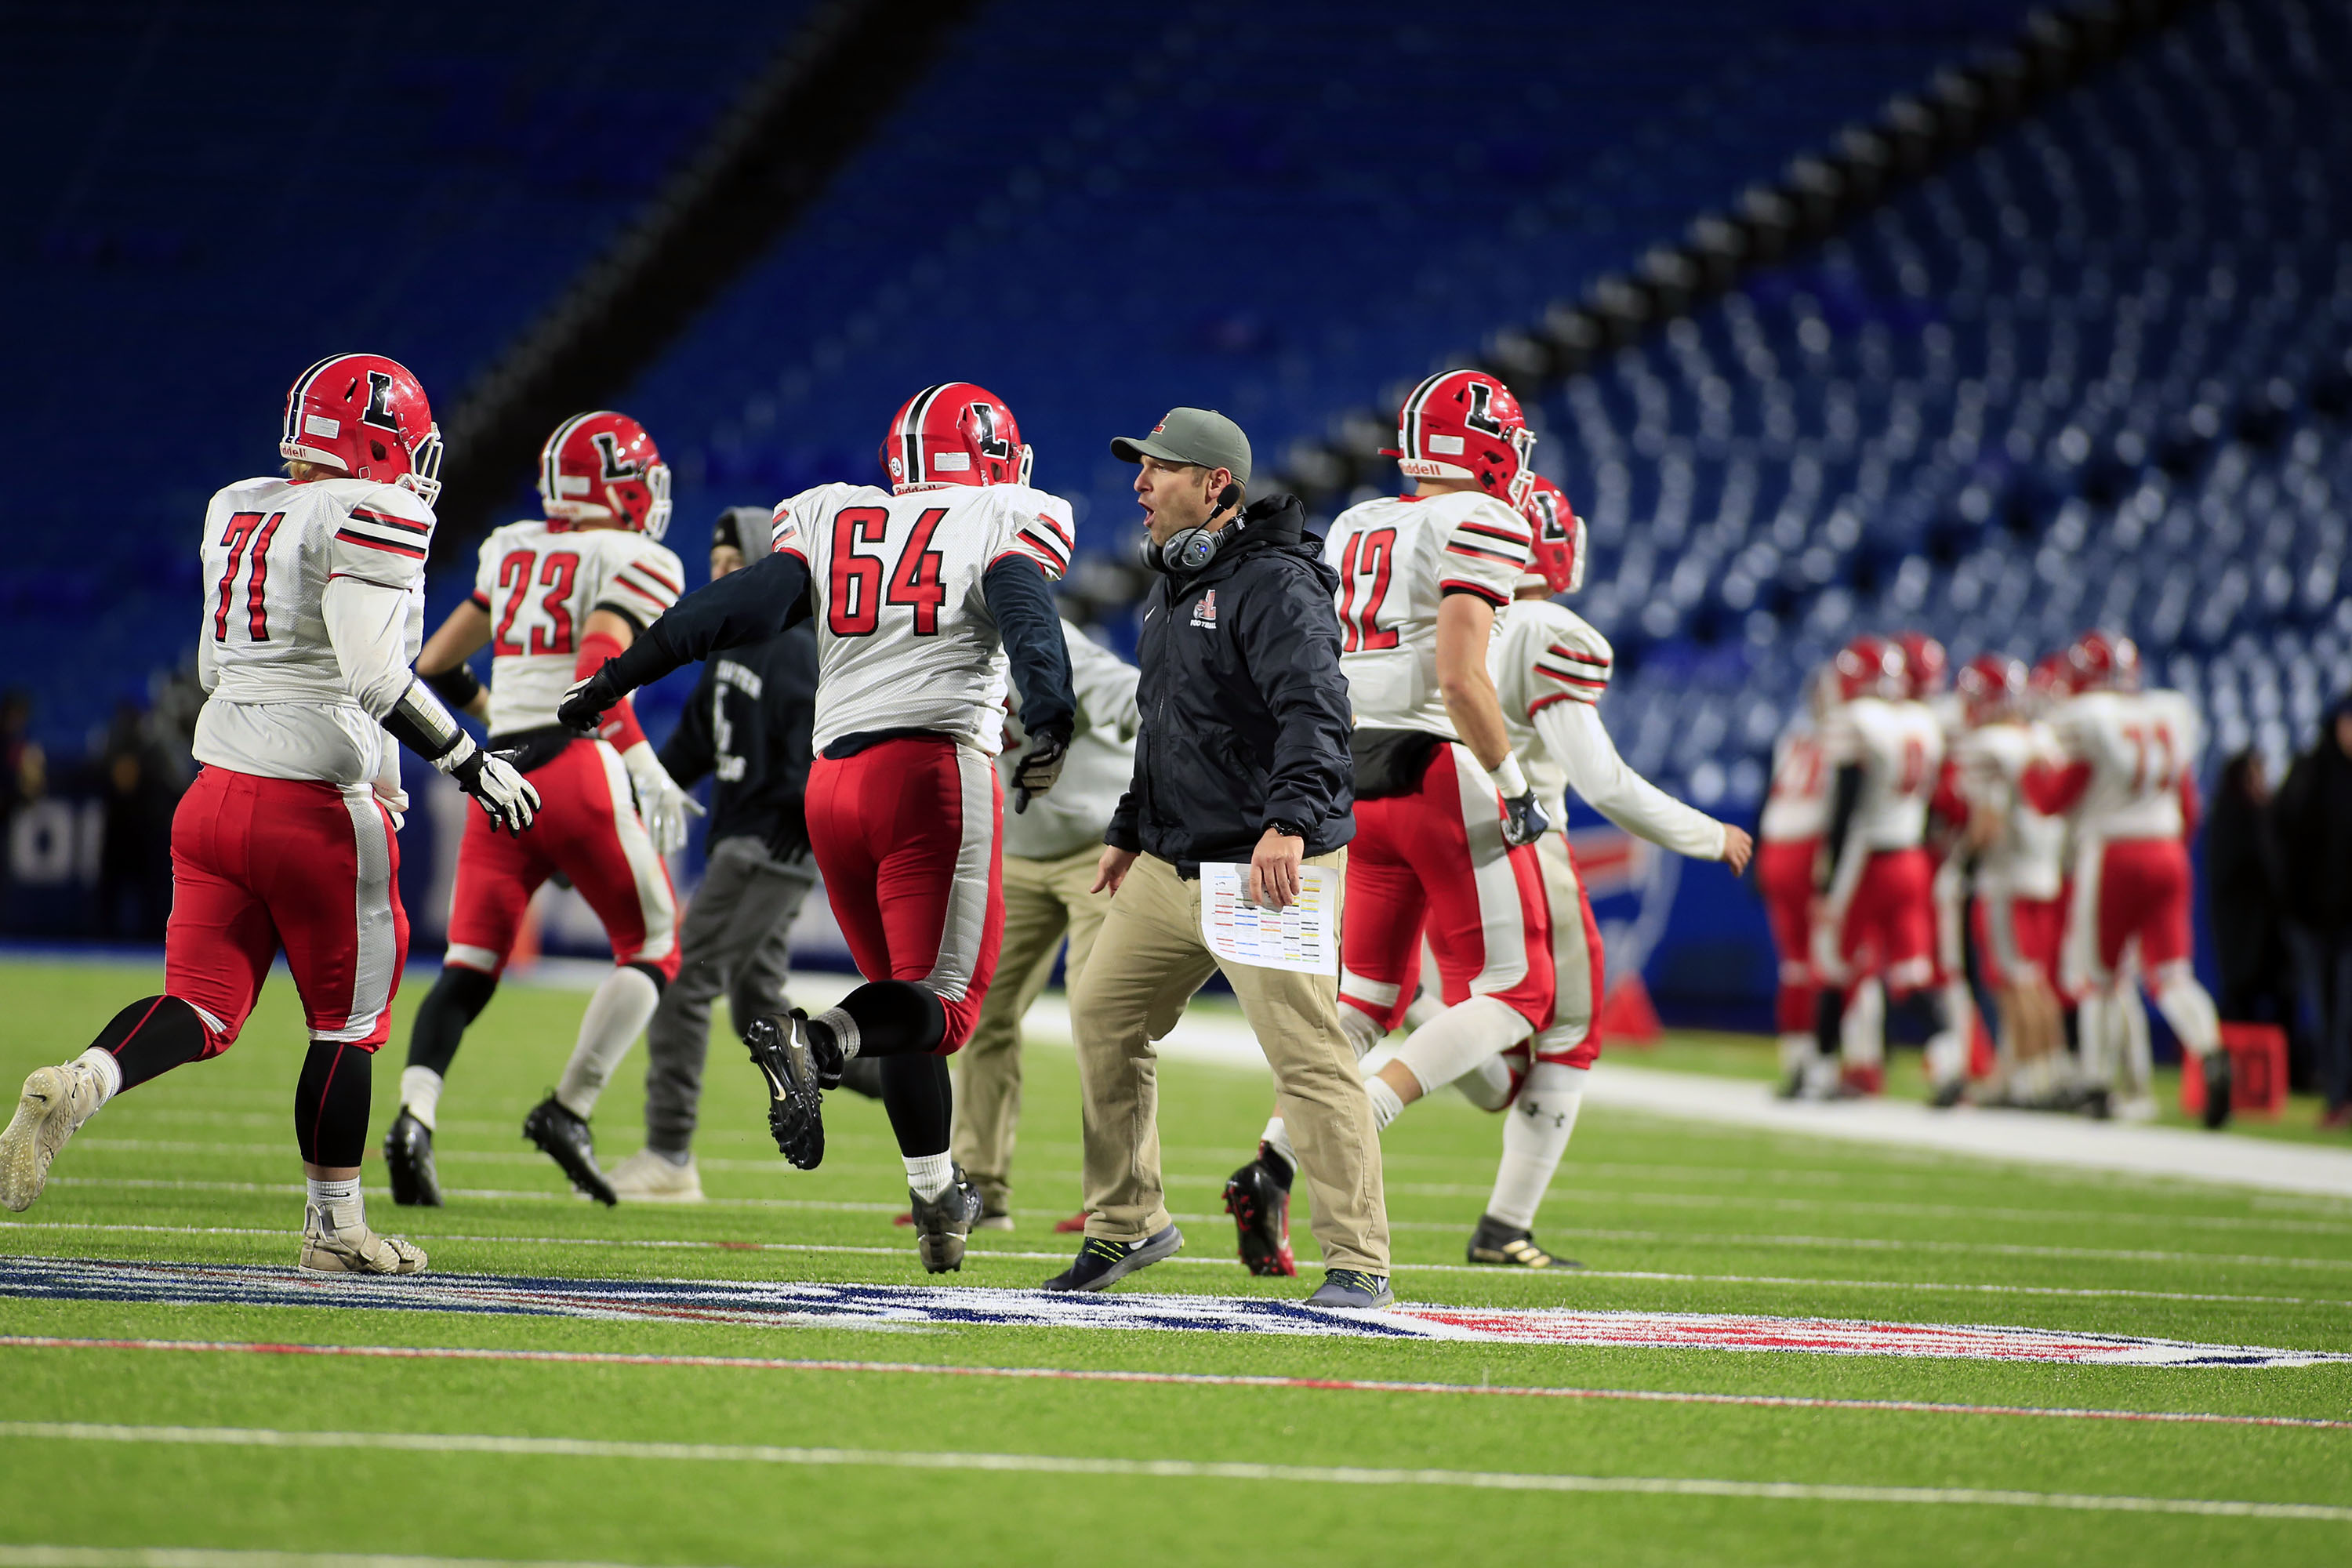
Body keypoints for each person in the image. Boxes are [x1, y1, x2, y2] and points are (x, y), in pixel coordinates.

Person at [0, 353, 538, 1272]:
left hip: (213, 795)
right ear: (374, 442)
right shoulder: (372, 512)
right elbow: (374, 674)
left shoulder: (239, 504)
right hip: (318, 804)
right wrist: (465, 758)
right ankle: (335, 1229)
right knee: (347, 1026)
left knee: (199, 1006)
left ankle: (85, 1079)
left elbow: (215, 668)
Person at [563, 382, 1076, 1272]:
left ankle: (935, 1199)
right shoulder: (1004, 515)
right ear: (994, 456)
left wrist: (620, 675)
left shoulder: (837, 517)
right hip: (932, 773)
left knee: (902, 1002)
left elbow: (747, 604)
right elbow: (1026, 609)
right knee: (943, 1010)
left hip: (833, 786)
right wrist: (1054, 715)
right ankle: (819, 1039)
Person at [1047, 405, 1385, 1308]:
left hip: (1267, 861)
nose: (1139, 483)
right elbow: (1166, 729)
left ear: (1215, 485)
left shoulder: (1276, 583)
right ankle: (1128, 1223)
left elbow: (1318, 711)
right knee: (1103, 1014)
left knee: (1309, 1056)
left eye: (1158, 468)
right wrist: (1128, 826)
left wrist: (1290, 822)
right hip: (1169, 861)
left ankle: (1358, 1260)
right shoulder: (1174, 580)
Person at [1221, 371, 1553, 1283]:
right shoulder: (1486, 518)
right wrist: (1515, 779)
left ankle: (1272, 1158)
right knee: (1519, 989)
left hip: (1350, 772)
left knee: (1367, 998)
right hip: (1437, 766)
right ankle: (1355, 1118)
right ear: (1489, 446)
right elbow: (1459, 675)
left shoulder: (1365, 520)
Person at [1417, 474, 1750, 1268]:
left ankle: (1413, 1013)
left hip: (1429, 827)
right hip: (1522, 835)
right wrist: (1706, 834)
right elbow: (1602, 781)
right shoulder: (1546, 627)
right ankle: (1505, 1226)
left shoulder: (1445, 614)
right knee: (1567, 1030)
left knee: (1496, 1048)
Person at [385, 412, 697, 1207]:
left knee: (469, 967)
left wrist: (495, 717)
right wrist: (643, 763)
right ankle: (570, 1107)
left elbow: (436, 661)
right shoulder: (635, 556)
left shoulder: (514, 544)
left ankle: (414, 1115)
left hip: (502, 776)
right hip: (577, 765)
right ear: (619, 486)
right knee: (655, 944)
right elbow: (596, 664)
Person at [602, 507, 822, 1202]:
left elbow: (826, 751)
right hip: (742, 836)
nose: (721, 577)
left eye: (737, 566)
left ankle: (669, 1154)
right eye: (717, 564)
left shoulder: (798, 646)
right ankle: (890, 1056)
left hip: (769, 843)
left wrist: (803, 820)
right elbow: (692, 747)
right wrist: (633, 796)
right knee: (759, 1010)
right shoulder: (729, 648)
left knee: (685, 980)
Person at [951, 618, 1139, 1229]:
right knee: (977, 1015)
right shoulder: (932, 638)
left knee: (1100, 1017)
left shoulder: (1043, 634)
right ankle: (978, 1187)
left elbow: (1137, 700)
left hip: (1100, 848)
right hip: (1018, 854)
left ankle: (1119, 1202)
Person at [2025, 630, 2231, 1127]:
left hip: (2114, 852)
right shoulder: (2166, 715)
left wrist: (2033, 767)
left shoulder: (2092, 720)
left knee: (2099, 980)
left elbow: (2055, 799)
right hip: (2167, 850)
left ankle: (2097, 1083)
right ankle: (2210, 1049)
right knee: (2172, 976)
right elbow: (2189, 803)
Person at [1791, 634, 1948, 1102]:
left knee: (1834, 968)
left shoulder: (1858, 721)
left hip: (1867, 858)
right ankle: (1949, 1063)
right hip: (1911, 857)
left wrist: (1828, 873)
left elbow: (1847, 803)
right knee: (1912, 974)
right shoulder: (1922, 720)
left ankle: (1818, 1071)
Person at [1953, 653, 2071, 1107]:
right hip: (2044, 873)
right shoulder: (2044, 739)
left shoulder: (1992, 744)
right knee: (2035, 979)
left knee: (2015, 981)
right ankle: (2042, 1070)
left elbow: (1988, 823)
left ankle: (2033, 1079)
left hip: (2007, 874)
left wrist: (1960, 860)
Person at [2273, 693, 2352, 1130]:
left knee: (2347, 1012)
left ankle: (2344, 1096)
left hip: (2348, 920)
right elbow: (2283, 837)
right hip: (2309, 918)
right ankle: (2336, 1098)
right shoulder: (2309, 772)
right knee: (2323, 1015)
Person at [1758, 667, 1834, 1080]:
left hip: (1778, 846)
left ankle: (1798, 1057)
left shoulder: (1793, 737)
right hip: (1807, 847)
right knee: (1824, 963)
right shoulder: (1838, 737)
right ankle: (1820, 1063)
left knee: (1797, 965)